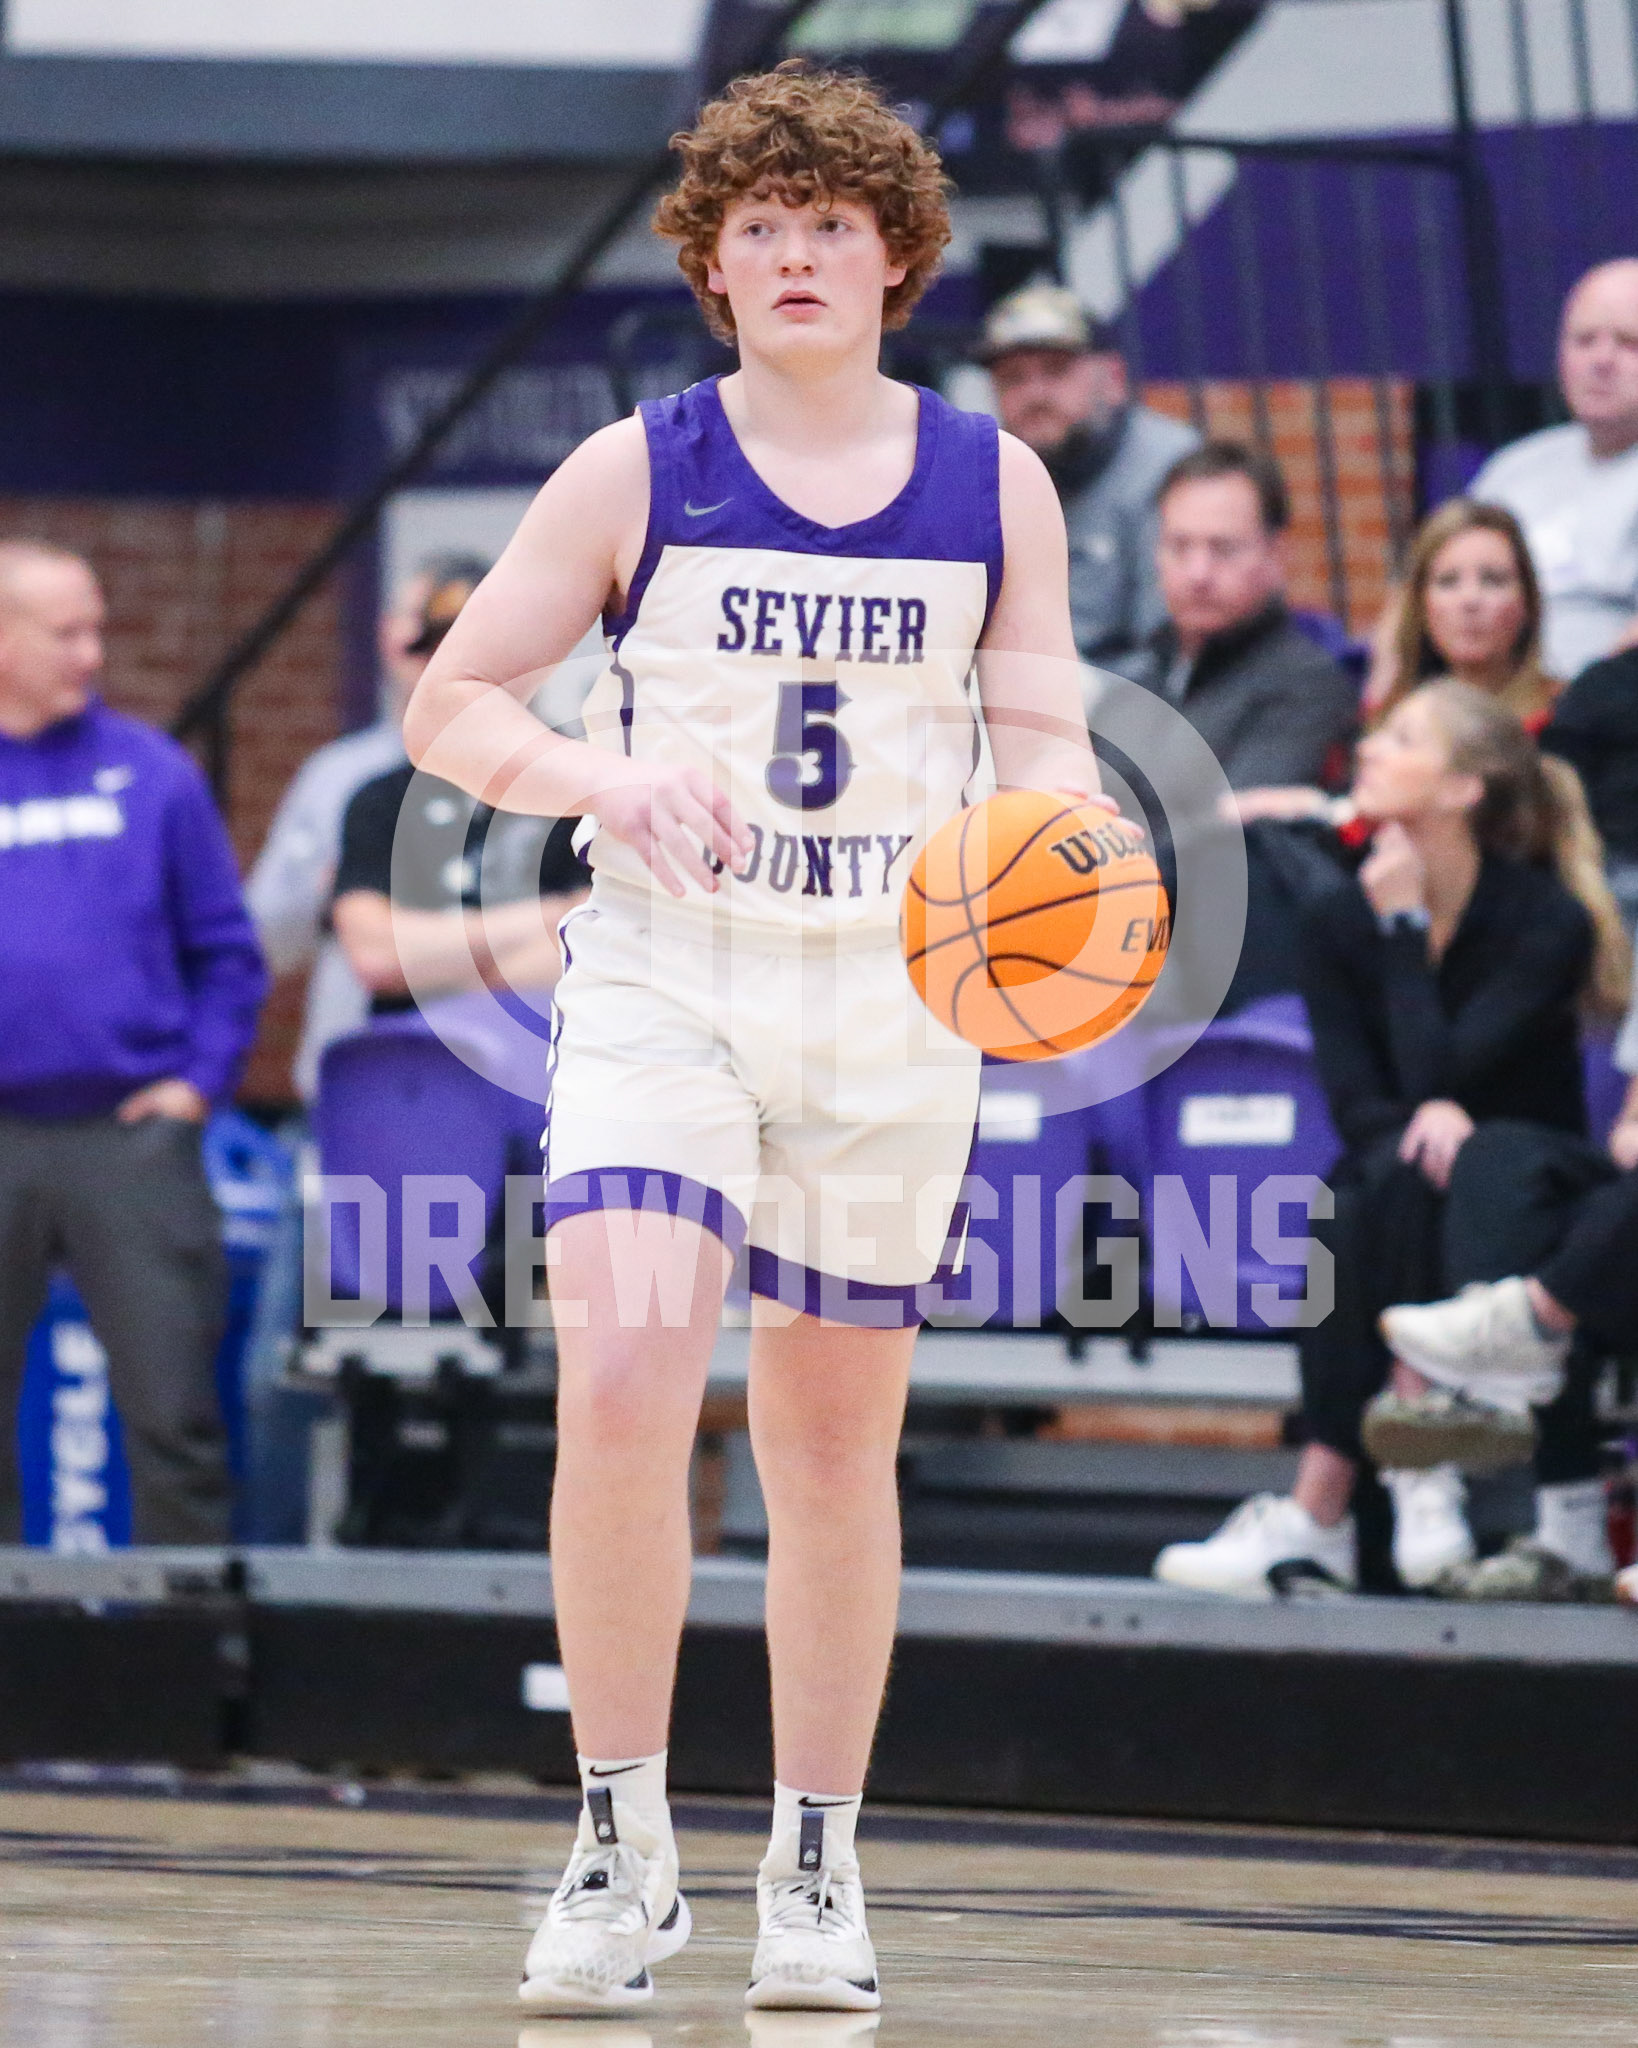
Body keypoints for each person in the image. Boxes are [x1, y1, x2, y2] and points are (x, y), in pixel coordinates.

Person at [402, 63, 1102, 2015]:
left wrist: (1076, 867)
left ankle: (814, 1860)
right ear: (712, 266)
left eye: (830, 224)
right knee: (626, 1373)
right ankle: (618, 1847)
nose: (794, 253)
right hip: (670, 976)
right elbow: (451, 704)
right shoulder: (635, 468)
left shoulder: (994, 482)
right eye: (758, 227)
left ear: (897, 257)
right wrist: (596, 781)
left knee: (828, 1441)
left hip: (890, 998)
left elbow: (1044, 746)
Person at [1154, 683, 1627, 1600]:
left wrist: (1406, 929)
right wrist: (1425, 1105)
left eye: (1403, 739)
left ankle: (1347, 1496)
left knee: (1461, 1166)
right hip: (1406, 1184)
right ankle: (1398, 1476)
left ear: (1462, 789)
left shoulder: (1545, 918)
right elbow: (1363, 1103)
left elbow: (1453, 1072)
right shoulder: (1337, 918)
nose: (1368, 749)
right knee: (1365, 1186)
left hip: (1536, 1184)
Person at [0, 540, 266, 1543]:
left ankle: (180, 1637)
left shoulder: (152, 773)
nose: (91, 654)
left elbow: (229, 954)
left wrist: (198, 1085)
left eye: (97, 630)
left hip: (130, 1136)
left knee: (175, 1416)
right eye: (65, 633)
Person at [246, 556, 487, 1101]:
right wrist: (336, 896)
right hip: (359, 1074)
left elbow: (566, 939)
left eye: (456, 628)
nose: (434, 648)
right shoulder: (338, 778)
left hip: (510, 1076)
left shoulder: (541, 774)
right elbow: (265, 938)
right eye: (418, 624)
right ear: (387, 633)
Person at [976, 281, 1197, 672]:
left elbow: (1173, 651)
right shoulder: (986, 476)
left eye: (1056, 371)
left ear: (1113, 379)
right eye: (1013, 378)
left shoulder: (1170, 468)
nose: (1035, 394)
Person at [1126, 441, 1358, 793]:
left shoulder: (1306, 686)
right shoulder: (1141, 670)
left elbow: (1233, 823)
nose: (1198, 573)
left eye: (1224, 548)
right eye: (1179, 546)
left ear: (1277, 554)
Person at [1468, 258, 1638, 679]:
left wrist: (1576, 704)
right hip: (1487, 700)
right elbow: (1423, 585)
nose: (1602, 360)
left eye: (1629, 342)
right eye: (1584, 340)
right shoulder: (1512, 469)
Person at [330, 760, 588, 1014]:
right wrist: (548, 916)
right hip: (410, 1033)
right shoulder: (382, 800)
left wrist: (429, 963)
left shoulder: (572, 797)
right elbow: (377, 955)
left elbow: (589, 951)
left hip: (551, 1029)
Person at [1368, 500, 1557, 730]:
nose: (1470, 600)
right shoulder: (1386, 724)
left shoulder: (1568, 721)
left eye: (1493, 580)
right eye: (1448, 581)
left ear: (1527, 600)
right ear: (1419, 603)